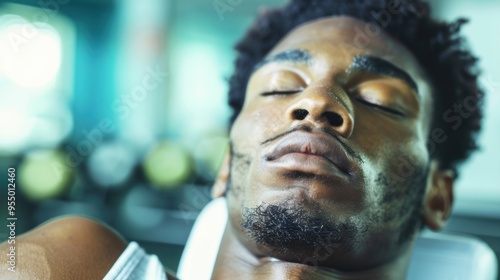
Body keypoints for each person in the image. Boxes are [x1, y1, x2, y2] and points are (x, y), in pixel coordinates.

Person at [0, 0, 484, 279]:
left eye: (382, 100)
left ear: (437, 194)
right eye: (279, 87)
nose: (317, 102)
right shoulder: (77, 265)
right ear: (227, 164)